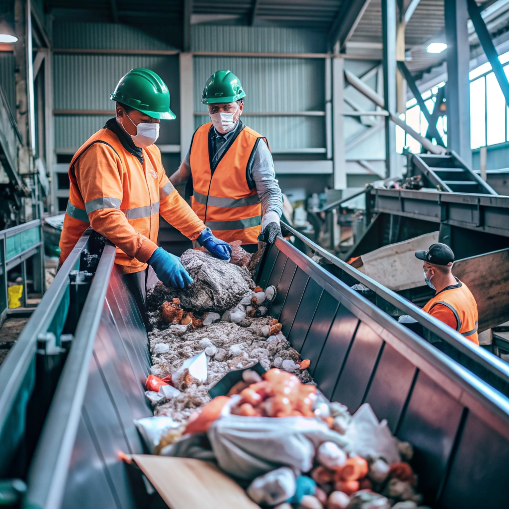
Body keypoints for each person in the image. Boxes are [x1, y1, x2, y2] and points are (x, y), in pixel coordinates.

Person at [59, 68, 232, 291]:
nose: (153, 125)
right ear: (120, 112)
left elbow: (169, 200)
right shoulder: (101, 153)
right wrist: (154, 254)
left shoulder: (148, 151)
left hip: (132, 261)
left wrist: (201, 233)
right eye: (145, 119)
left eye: (157, 119)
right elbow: (105, 217)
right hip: (93, 269)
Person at [170, 70, 283, 252]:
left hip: (242, 247)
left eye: (226, 107)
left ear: (240, 107)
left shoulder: (255, 144)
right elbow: (185, 172)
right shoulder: (199, 135)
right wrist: (159, 189)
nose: (220, 113)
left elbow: (269, 190)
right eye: (214, 108)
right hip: (204, 241)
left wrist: (271, 219)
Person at [415, 243, 479, 345]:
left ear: (432, 272)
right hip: (468, 357)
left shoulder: (443, 308)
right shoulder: (462, 288)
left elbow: (433, 348)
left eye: (425, 269)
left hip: (456, 358)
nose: (425, 273)